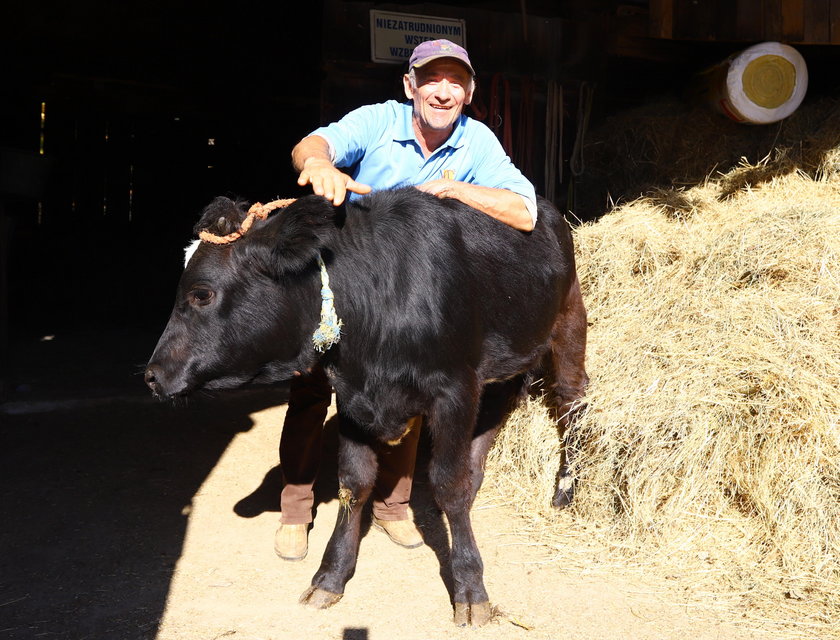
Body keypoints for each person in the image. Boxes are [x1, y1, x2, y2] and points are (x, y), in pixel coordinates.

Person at [274, 39, 537, 561]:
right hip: (345, 281)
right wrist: (322, 167)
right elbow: (310, 145)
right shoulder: (378, 120)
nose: (443, 92)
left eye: (455, 81)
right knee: (311, 386)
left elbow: (525, 211)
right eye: (431, 79)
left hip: (404, 298)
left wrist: (458, 191)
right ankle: (296, 508)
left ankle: (393, 508)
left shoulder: (475, 140)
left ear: (469, 92)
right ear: (409, 85)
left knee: (412, 388)